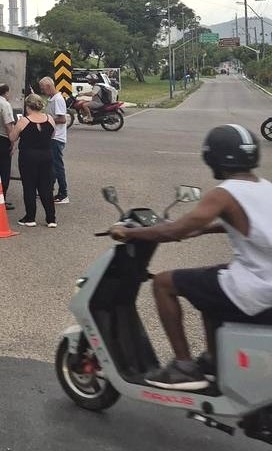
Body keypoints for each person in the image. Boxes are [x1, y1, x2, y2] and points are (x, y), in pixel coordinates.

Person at [110, 124, 272, 390]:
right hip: (264, 280)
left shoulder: (225, 193)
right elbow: (251, 225)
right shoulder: (264, 187)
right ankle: (213, 360)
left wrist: (130, 233)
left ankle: (184, 367)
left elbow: (175, 229)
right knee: (207, 285)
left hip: (254, 287)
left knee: (163, 283)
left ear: (213, 157)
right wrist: (204, 230)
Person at [9, 93, 57, 227]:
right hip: (46, 155)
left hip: (28, 156)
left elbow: (12, 138)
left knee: (29, 186)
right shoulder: (50, 119)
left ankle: (30, 218)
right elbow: (53, 135)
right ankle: (51, 218)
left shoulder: (24, 121)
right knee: (46, 187)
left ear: (27, 106)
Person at [38, 76, 69, 204]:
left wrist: (47, 120)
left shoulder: (58, 99)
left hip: (57, 138)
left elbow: (62, 119)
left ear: (49, 86)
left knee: (57, 166)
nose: (42, 91)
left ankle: (63, 193)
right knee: (49, 165)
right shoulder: (51, 99)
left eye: (43, 88)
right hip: (51, 136)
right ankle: (48, 189)